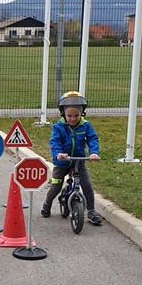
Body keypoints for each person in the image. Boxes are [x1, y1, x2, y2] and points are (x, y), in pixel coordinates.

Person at [41, 91, 102, 226]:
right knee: (56, 186)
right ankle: (47, 204)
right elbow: (55, 142)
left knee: (86, 185)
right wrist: (59, 154)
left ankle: (91, 211)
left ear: (82, 114)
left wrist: (94, 153)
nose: (73, 119)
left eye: (76, 115)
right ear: (63, 114)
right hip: (62, 162)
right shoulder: (58, 127)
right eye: (69, 116)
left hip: (78, 161)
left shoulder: (86, 125)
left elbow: (92, 139)